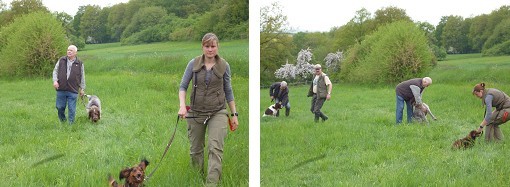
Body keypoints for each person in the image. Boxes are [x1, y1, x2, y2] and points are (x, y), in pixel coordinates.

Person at [177, 33, 239, 186]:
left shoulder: (224, 66)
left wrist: (234, 114)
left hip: (217, 112)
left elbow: (228, 91)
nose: (210, 49)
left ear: (217, 47)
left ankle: (211, 183)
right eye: (207, 46)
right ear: (202, 47)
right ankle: (197, 177)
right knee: (196, 149)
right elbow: (183, 86)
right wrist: (182, 106)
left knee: (215, 148)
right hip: (196, 112)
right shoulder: (193, 63)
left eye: (213, 46)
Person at [52, 45, 85, 124]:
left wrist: (82, 88)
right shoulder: (61, 60)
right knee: (60, 107)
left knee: (72, 109)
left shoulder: (79, 63)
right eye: (68, 50)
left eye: (71, 50)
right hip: (61, 88)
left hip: (73, 89)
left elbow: (82, 76)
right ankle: (63, 121)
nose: (69, 52)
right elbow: (55, 71)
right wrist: (55, 81)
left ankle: (71, 125)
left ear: (75, 53)